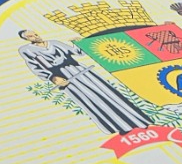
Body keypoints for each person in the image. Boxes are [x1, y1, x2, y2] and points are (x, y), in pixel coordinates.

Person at [18, 29, 152, 136]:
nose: (35, 36)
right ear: (26, 39)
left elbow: (77, 52)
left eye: (35, 34)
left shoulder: (54, 42)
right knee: (90, 100)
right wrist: (53, 77)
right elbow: (34, 67)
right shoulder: (26, 50)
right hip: (63, 77)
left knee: (106, 93)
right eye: (31, 36)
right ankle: (119, 126)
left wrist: (78, 43)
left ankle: (138, 121)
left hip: (80, 70)